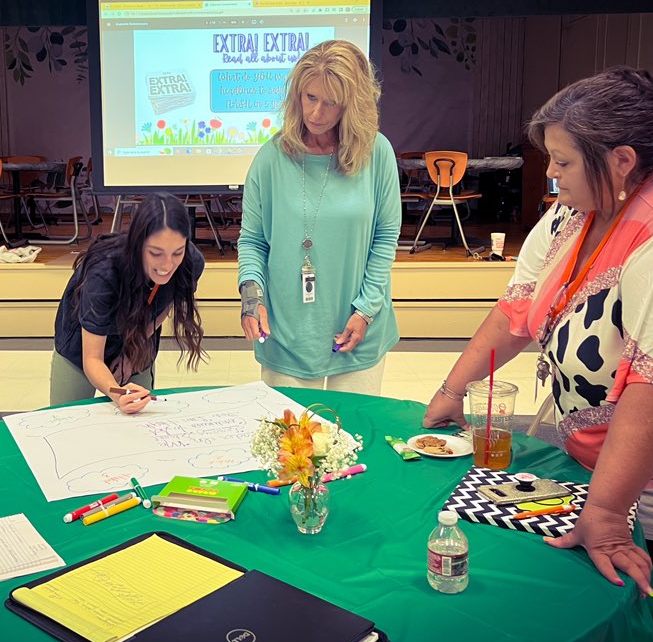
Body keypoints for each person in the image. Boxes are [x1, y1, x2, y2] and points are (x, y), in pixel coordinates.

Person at [423, 66, 653, 642]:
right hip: (585, 450)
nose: (549, 176)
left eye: (562, 162)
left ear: (622, 160)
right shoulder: (578, 209)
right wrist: (454, 387)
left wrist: (605, 519)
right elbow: (516, 313)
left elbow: (652, 394)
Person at [237, 39, 402, 395]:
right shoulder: (270, 159)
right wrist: (251, 297)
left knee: (354, 441)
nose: (316, 113)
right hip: (287, 333)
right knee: (292, 445)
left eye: (331, 103)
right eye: (310, 97)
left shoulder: (377, 153)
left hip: (357, 326)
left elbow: (386, 235)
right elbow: (252, 240)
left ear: (352, 104)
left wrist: (367, 310)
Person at [50, 193, 206, 413]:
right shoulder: (104, 272)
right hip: (82, 346)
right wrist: (118, 393)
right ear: (137, 244)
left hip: (138, 337)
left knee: (139, 419)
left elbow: (163, 305)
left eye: (177, 252)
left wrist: (133, 353)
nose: (167, 264)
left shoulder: (191, 262)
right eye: (155, 253)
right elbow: (92, 358)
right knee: (65, 418)